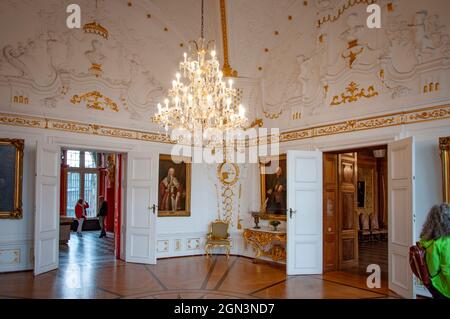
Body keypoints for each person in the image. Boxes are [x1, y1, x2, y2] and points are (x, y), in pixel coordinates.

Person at [420, 203, 450, 299]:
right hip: (442, 285)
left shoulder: (426, 240)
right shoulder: (445, 242)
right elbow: (447, 270)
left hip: (433, 282)